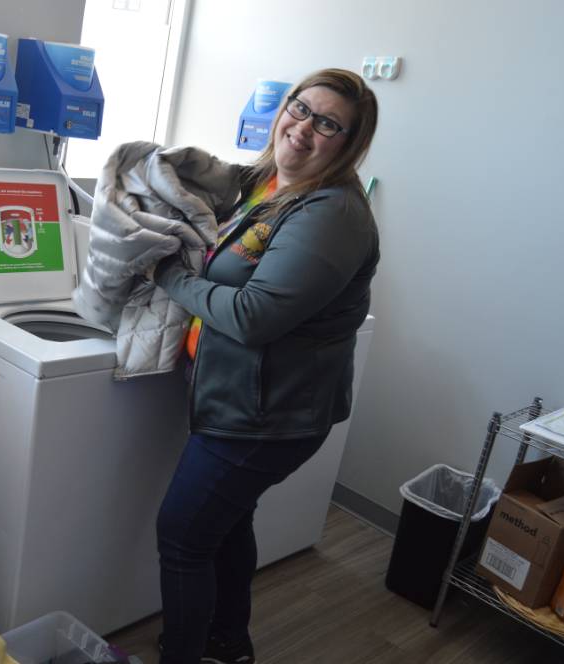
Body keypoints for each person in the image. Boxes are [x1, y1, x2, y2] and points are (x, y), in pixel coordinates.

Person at [151, 68, 380, 663]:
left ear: (349, 143)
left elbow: (255, 315)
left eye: (327, 124)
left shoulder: (331, 213)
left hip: (267, 415)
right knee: (225, 525)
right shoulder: (271, 183)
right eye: (300, 109)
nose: (303, 129)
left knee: (182, 537)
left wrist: (169, 277)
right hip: (239, 397)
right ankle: (228, 645)